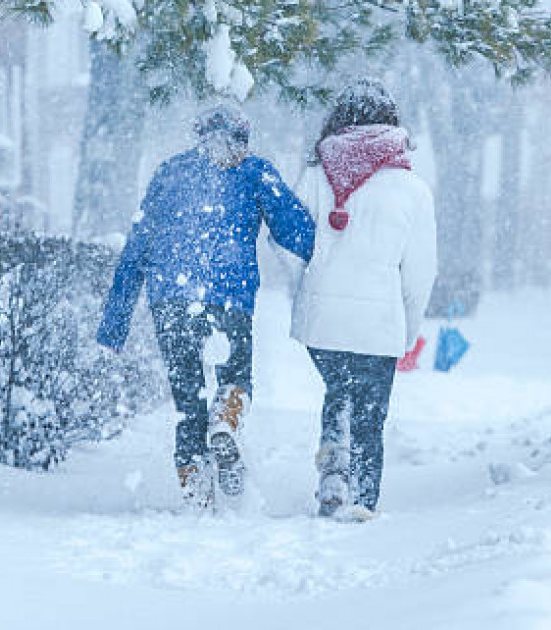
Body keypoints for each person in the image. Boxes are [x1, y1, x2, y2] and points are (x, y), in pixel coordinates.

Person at [97, 105, 315, 508]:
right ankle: (226, 422)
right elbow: (295, 228)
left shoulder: (170, 172)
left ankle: (197, 496)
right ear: (242, 140)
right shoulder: (255, 171)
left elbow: (137, 249)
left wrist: (114, 324)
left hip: (172, 300)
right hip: (228, 298)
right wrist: (333, 257)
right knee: (235, 377)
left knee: (186, 401)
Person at [289, 79, 437, 521]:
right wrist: (408, 327)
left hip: (323, 320)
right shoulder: (413, 191)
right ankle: (363, 499)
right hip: (378, 321)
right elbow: (419, 273)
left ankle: (334, 475)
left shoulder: (314, 177)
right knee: (370, 414)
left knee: (339, 391)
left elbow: (288, 243)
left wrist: (309, 279)